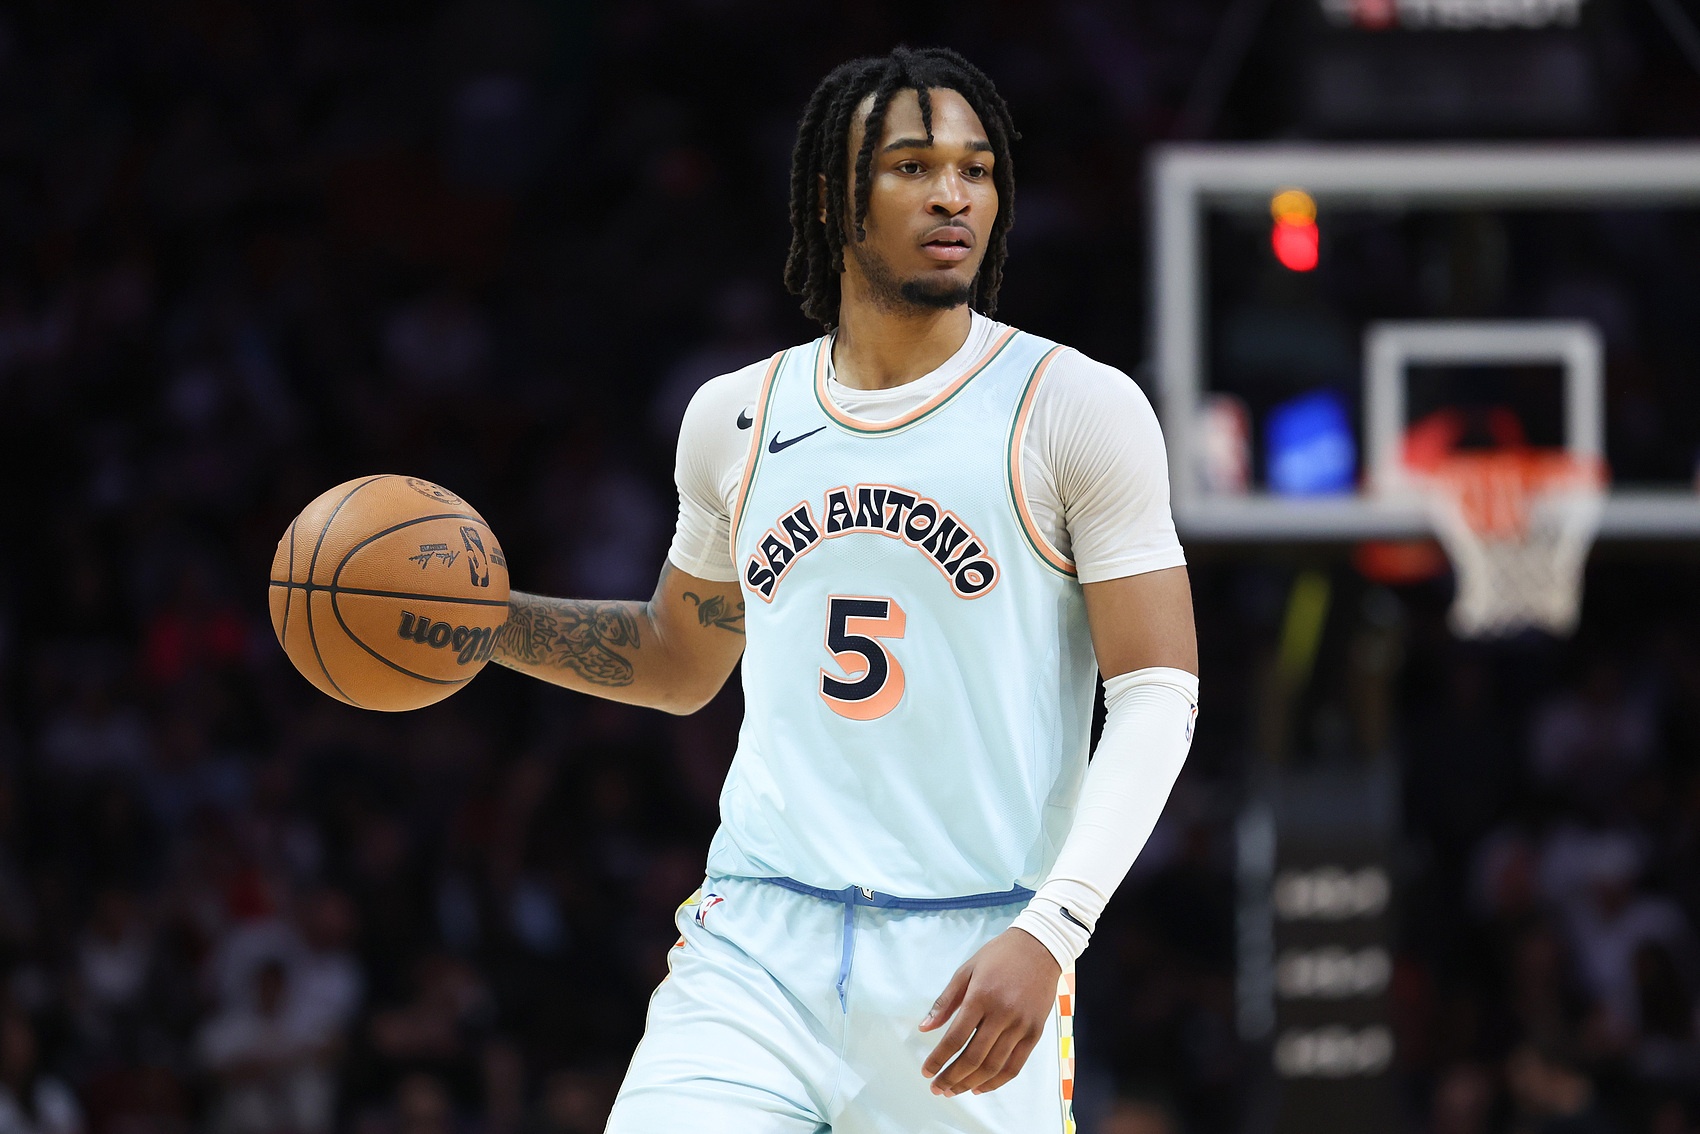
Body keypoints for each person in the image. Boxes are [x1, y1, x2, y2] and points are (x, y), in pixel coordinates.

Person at [491, 46, 1199, 1134]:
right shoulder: (735, 414)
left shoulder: (1074, 407)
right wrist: (484, 626)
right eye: (913, 166)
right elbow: (680, 660)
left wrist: (1053, 929)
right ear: (833, 197)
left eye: (975, 169)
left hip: (975, 949)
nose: (953, 194)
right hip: (755, 942)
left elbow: (1156, 693)